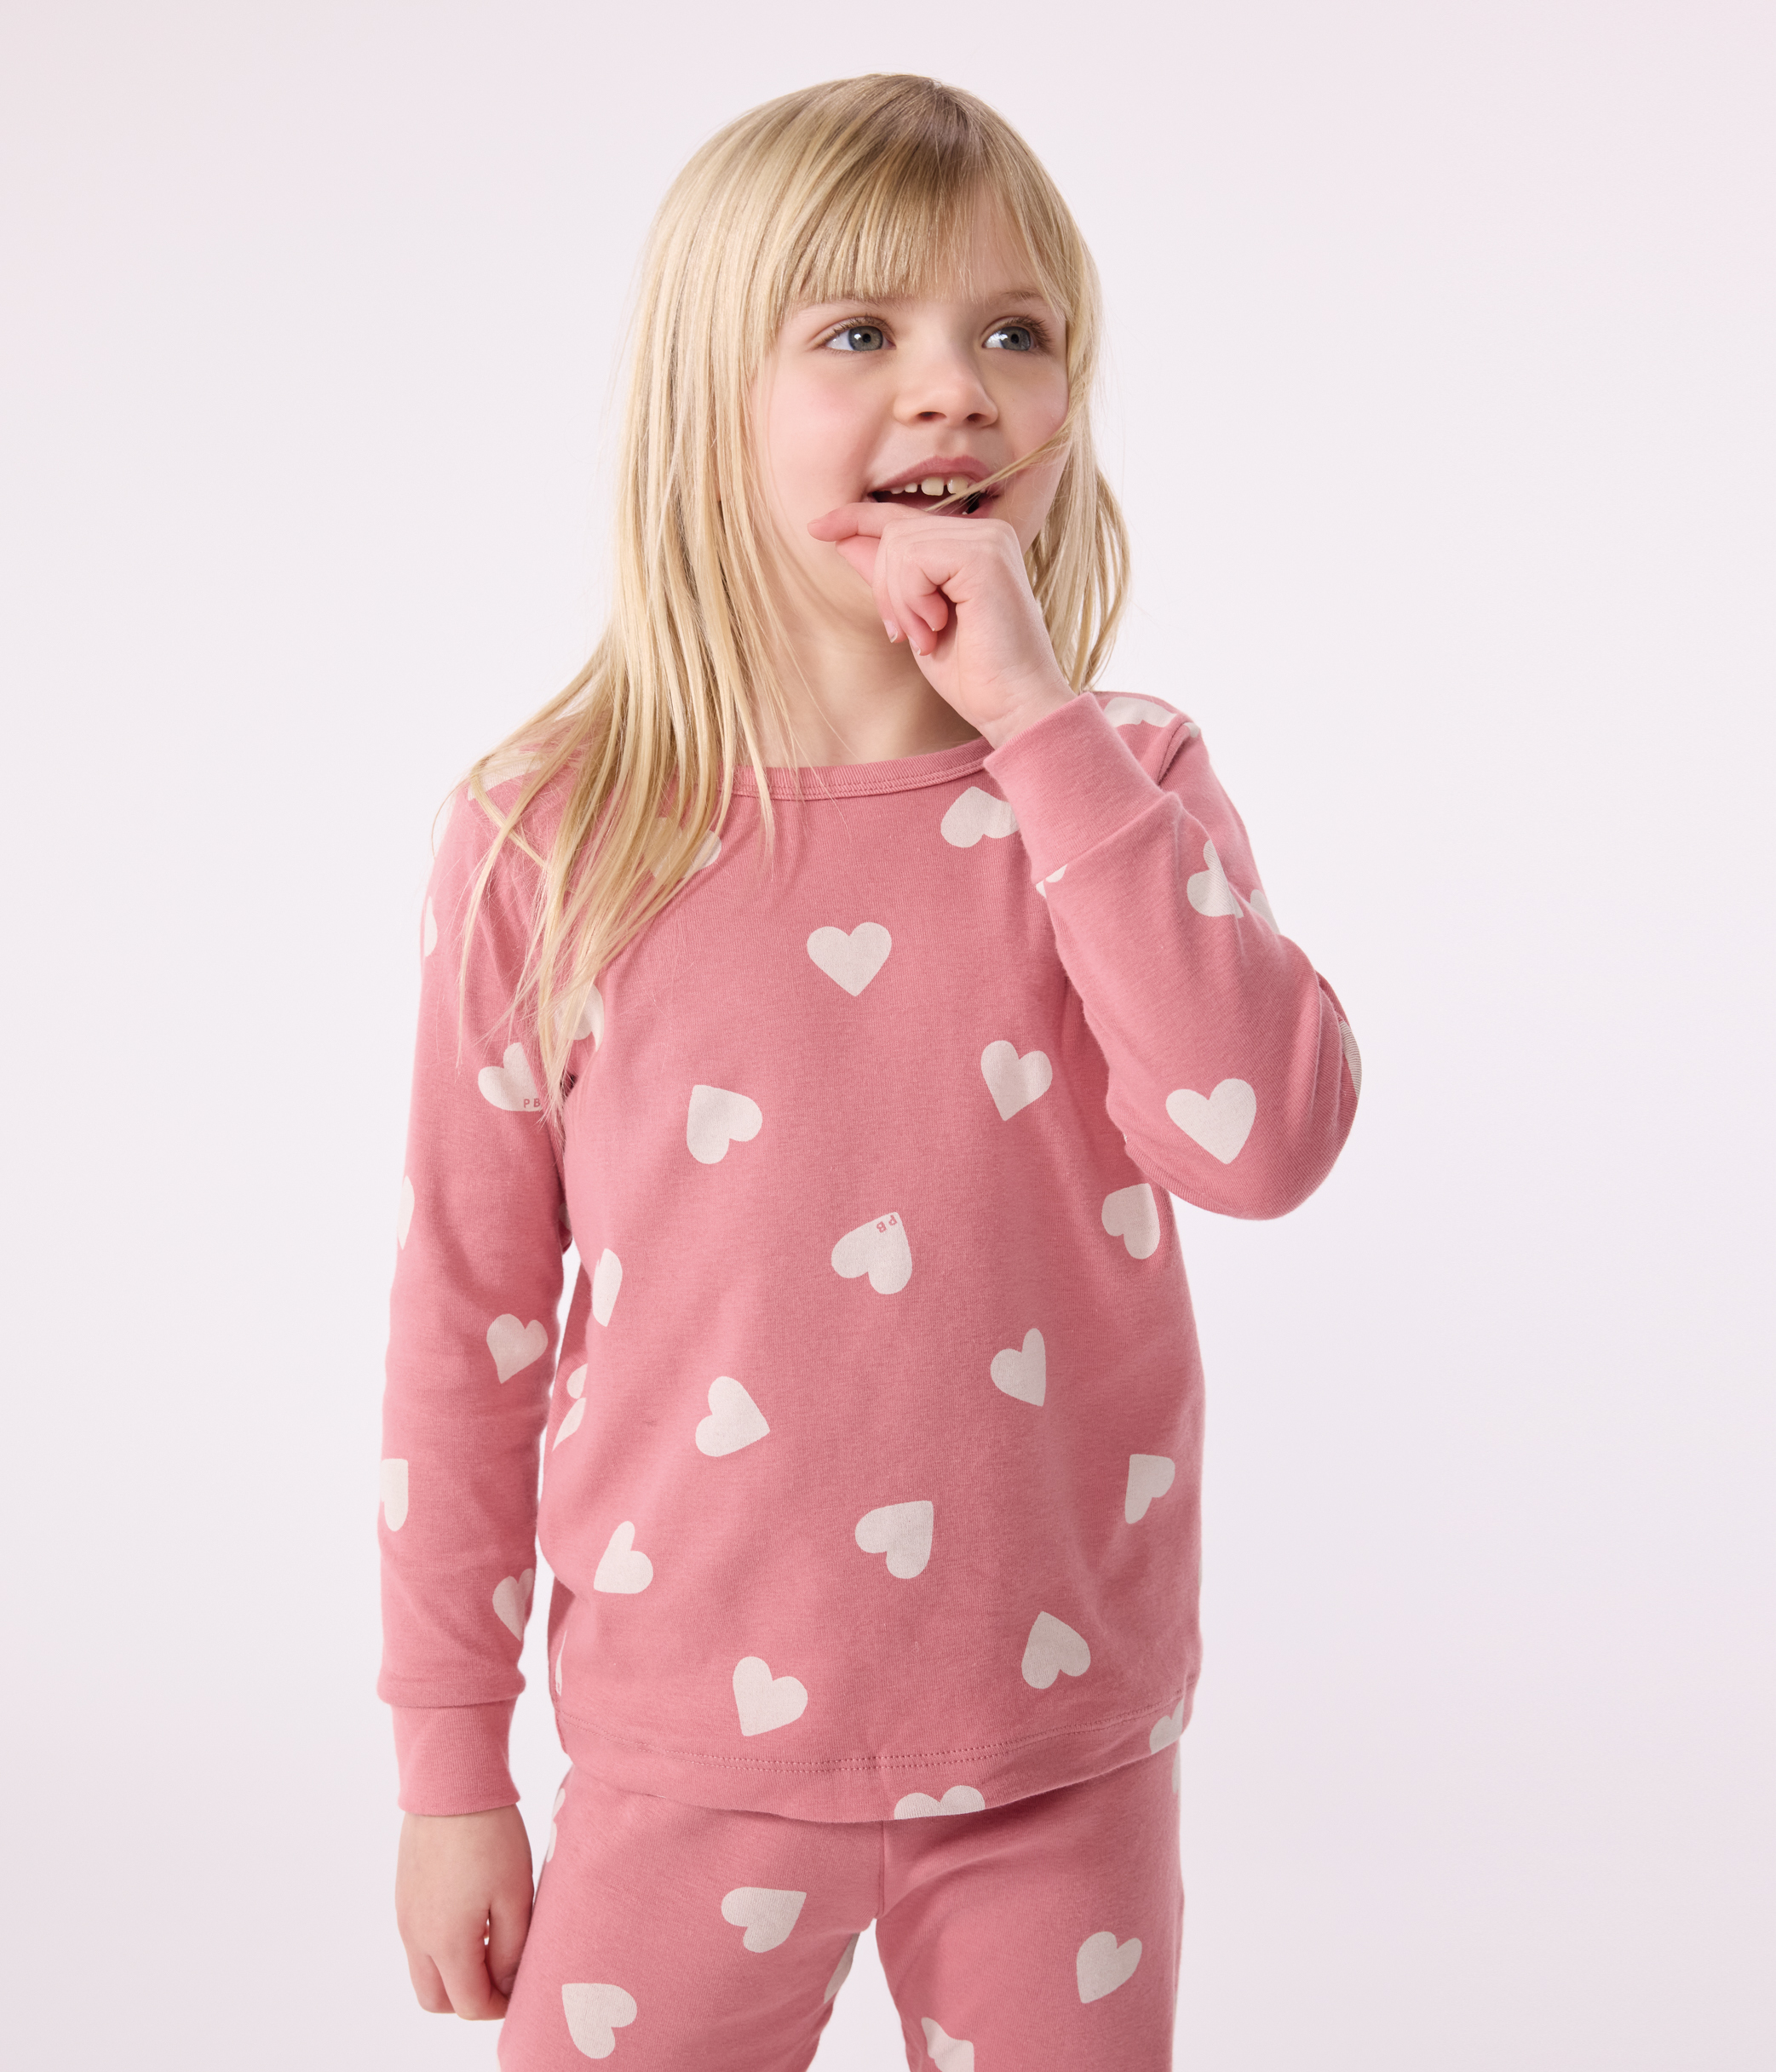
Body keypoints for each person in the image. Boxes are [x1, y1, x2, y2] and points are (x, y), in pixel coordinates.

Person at [379, 72, 1359, 2071]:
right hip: (683, 1743)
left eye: (1013, 331)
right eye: (856, 332)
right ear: (705, 401)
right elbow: (468, 1321)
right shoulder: (550, 831)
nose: (952, 390)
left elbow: (1257, 1141)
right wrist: (448, 1765)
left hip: (1058, 1740)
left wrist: (1034, 721)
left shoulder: (1124, 782)